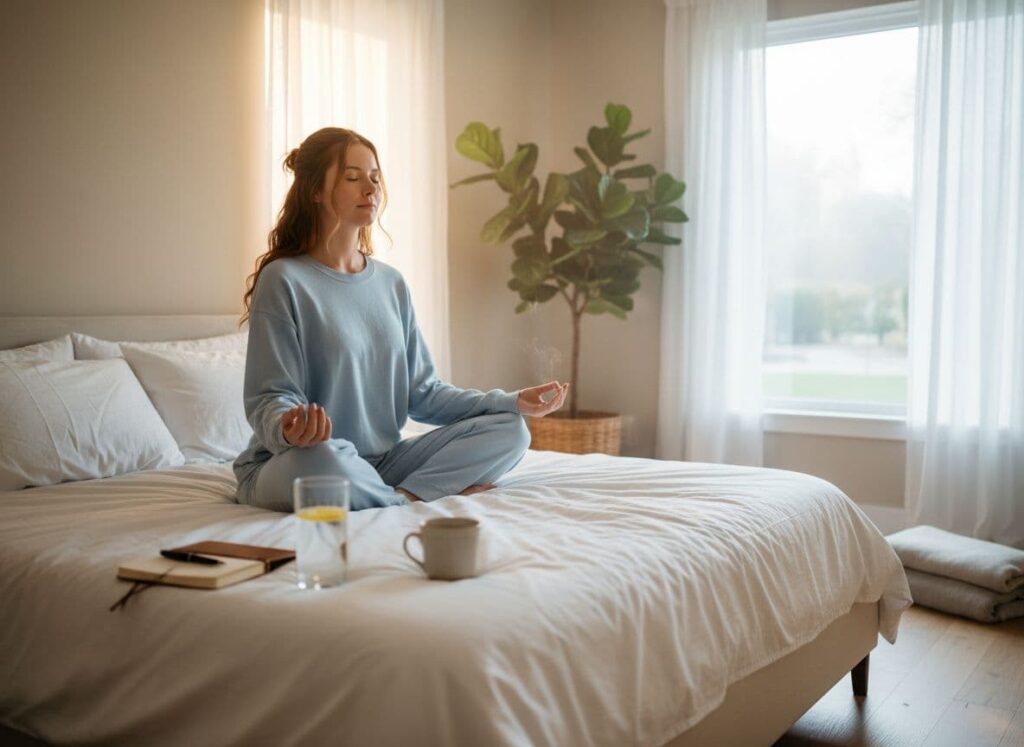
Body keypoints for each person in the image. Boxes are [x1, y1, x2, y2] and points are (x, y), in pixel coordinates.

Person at [233, 127, 568, 511]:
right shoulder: (285, 279)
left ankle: (399, 497)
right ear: (315, 190)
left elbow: (423, 394)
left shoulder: (391, 283)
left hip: (384, 465)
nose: (371, 189)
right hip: (298, 460)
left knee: (510, 431)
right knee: (324, 461)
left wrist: (510, 402)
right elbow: (268, 397)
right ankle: (405, 499)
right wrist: (289, 427)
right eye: (353, 177)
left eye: (375, 177)